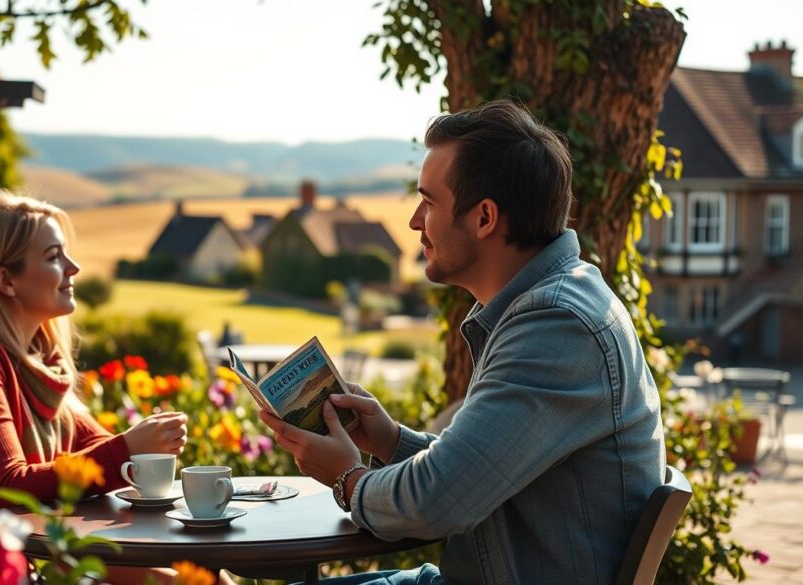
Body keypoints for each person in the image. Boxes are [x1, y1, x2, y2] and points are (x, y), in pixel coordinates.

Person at [260, 100, 665, 585]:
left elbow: (437, 504)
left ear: (485, 217)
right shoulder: (550, 304)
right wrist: (388, 439)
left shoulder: (556, 326)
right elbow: (477, 469)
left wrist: (348, 479)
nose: (414, 221)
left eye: (429, 202)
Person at [0, 193, 190, 584]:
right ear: (6, 279)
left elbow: (96, 456)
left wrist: (144, 449)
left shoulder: (39, 363)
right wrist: (130, 449)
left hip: (16, 567)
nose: (73, 268)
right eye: (54, 256)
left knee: (197, 576)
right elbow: (6, 488)